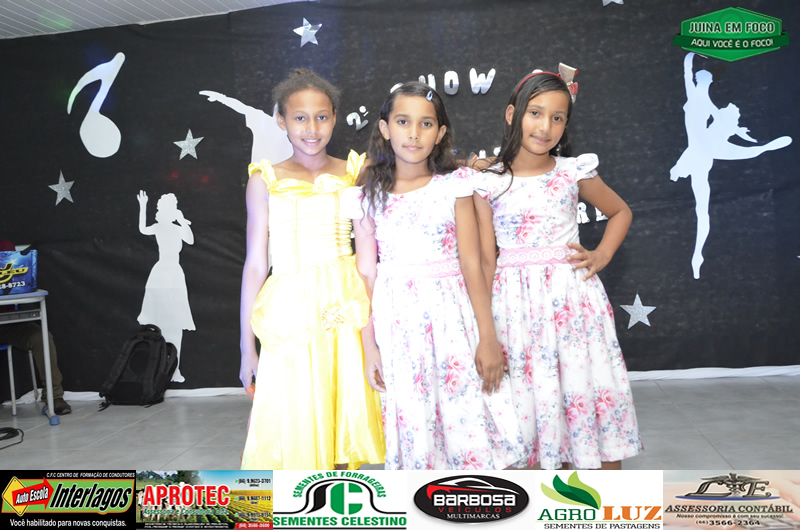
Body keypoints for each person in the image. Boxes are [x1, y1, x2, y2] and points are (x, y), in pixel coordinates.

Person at [470, 70, 642, 469]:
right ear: (512, 114)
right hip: (515, 310)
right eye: (535, 113)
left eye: (557, 117)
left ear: (566, 124)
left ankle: (607, 499)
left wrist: (601, 255)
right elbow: (485, 259)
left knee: (586, 395)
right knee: (533, 408)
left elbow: (620, 211)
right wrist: (486, 331)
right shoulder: (488, 181)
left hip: (572, 306)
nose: (545, 126)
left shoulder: (572, 171)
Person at [351, 82, 525, 470]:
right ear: (385, 128)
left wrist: (488, 336)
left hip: (453, 320)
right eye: (403, 122)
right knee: (415, 424)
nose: (413, 133)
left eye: (426, 124)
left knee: (466, 415)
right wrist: (369, 346)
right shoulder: (365, 196)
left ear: (440, 133)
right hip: (397, 326)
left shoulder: (455, 187)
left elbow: (472, 264)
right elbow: (365, 272)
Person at [239, 69, 384, 470]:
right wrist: (246, 347)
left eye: (321, 116)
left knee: (339, 406)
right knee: (291, 413)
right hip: (290, 310)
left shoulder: (355, 173)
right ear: (281, 120)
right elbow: (255, 264)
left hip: (343, 306)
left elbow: (368, 261)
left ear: (334, 117)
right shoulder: (264, 180)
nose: (312, 128)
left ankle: (330, 495)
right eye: (300, 117)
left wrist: (371, 339)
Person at [670, 52, 792, 279]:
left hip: (704, 153)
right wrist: (691, 52)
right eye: (700, 77)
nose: (703, 80)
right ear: (698, 80)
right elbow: (687, 69)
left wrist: (745, 136)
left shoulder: (711, 107)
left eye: (706, 78)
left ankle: (698, 255)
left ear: (709, 81)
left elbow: (729, 125)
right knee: (701, 208)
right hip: (697, 152)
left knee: (702, 210)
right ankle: (697, 255)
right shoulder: (695, 96)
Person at [0, 239, 71, 415]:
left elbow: (17, 282)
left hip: (6, 323)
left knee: (41, 337)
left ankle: (54, 397)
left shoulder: (5, 247)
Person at [137, 192, 195, 383]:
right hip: (161, 274)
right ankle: (158, 369)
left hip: (174, 275)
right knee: (159, 322)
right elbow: (143, 229)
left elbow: (190, 239)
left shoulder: (178, 228)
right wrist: (143, 205)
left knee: (176, 323)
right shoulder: (158, 227)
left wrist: (182, 220)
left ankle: (175, 369)